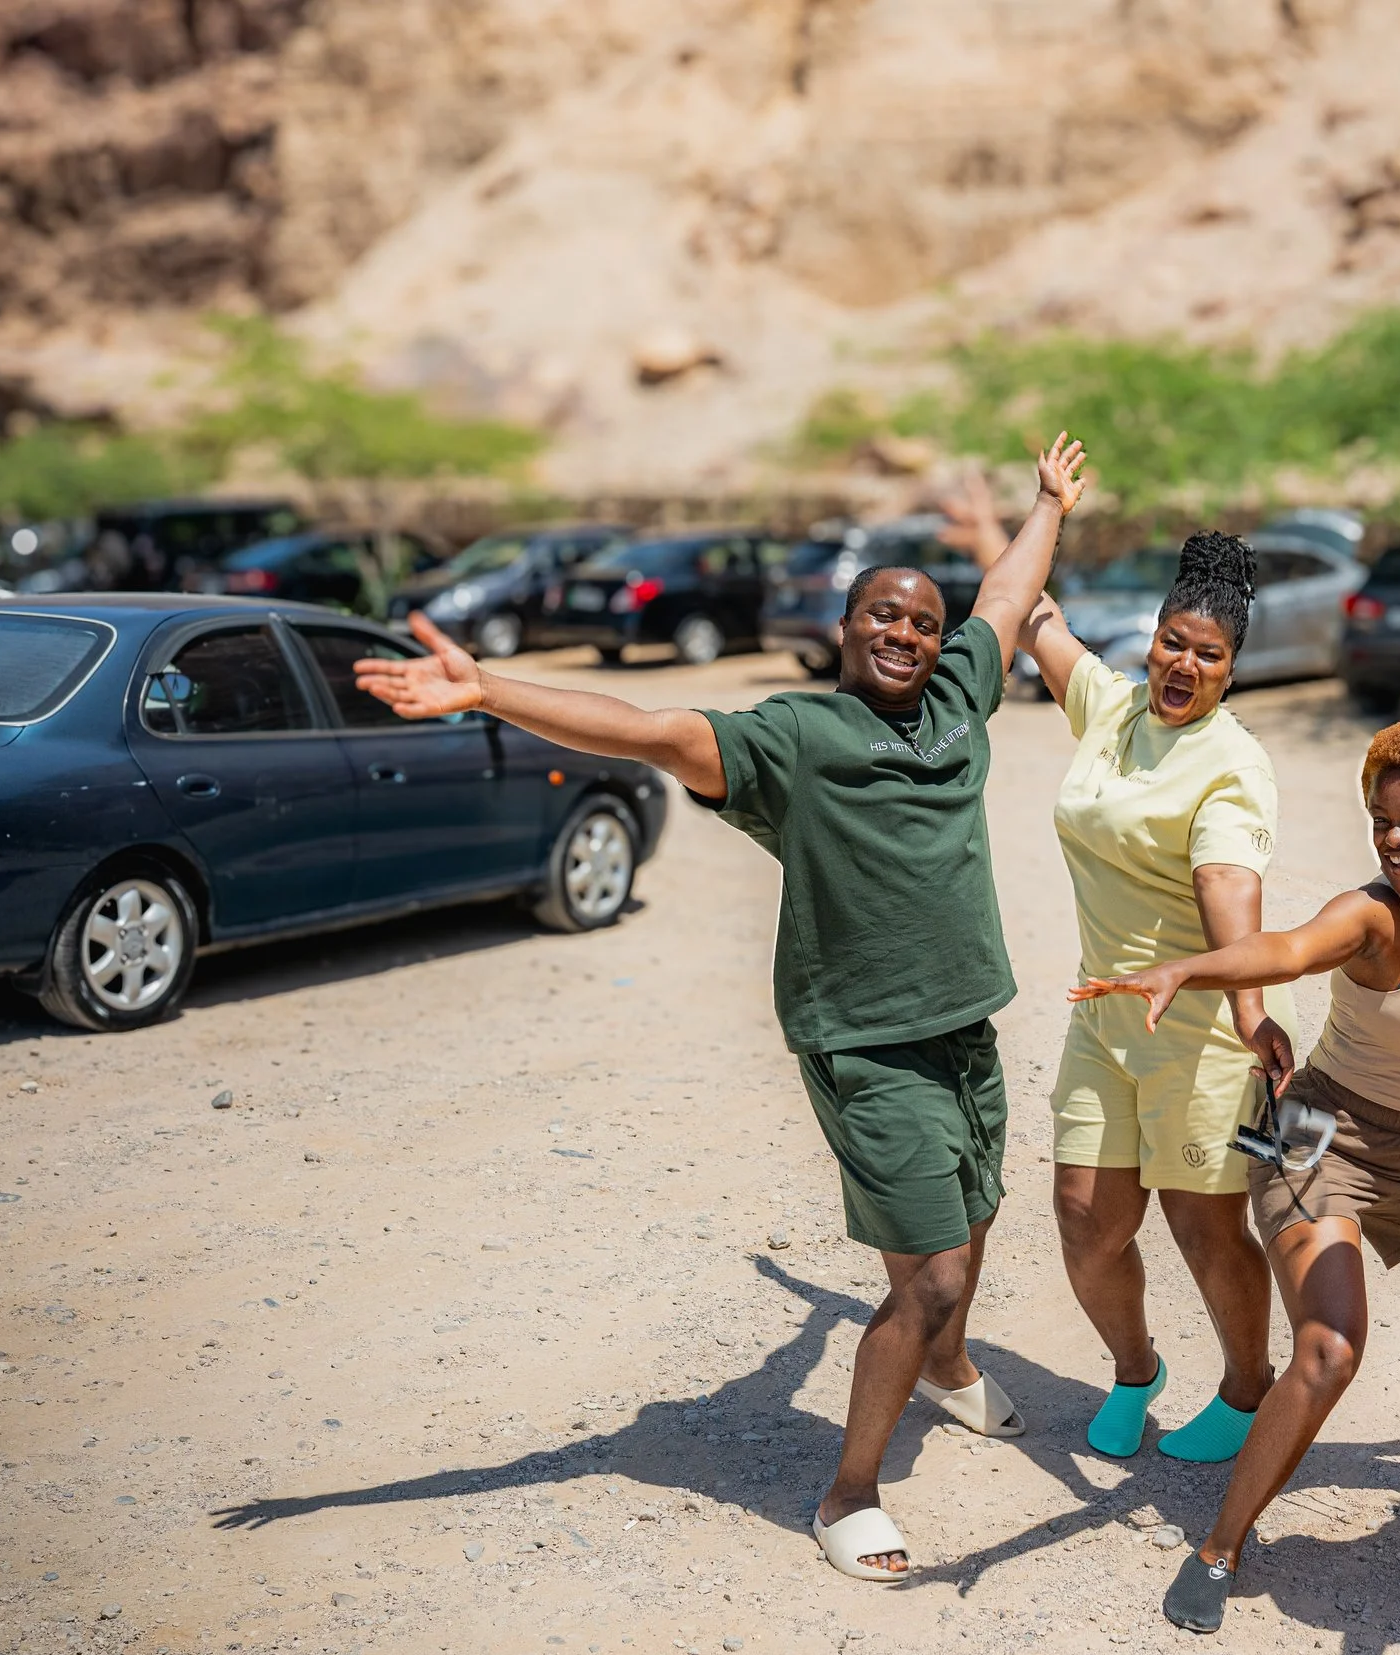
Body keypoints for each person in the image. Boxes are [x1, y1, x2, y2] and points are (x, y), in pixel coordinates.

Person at [352, 433, 1091, 1586]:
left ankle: (945, 1370)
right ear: (841, 632)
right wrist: (485, 687)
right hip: (863, 1039)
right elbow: (646, 730)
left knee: (980, 1204)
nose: (904, 633)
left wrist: (1048, 504)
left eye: (919, 621)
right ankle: (849, 1488)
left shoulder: (959, 694)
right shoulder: (792, 738)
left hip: (965, 1024)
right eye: (881, 618)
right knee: (934, 1272)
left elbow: (1007, 591)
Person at [1069, 719, 1400, 1635]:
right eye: (1381, 820)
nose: (1396, 838)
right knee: (1331, 1346)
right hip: (1309, 1129)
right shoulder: (1373, 914)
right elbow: (1289, 947)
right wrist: (1190, 968)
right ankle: (1218, 1546)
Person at [1015, 532, 1296, 1464]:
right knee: (1084, 1217)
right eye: (1175, 641)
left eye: (1209, 654)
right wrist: (1033, 519)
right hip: (1103, 1013)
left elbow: (1229, 891)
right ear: (1153, 638)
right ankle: (1137, 1370)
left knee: (1199, 1223)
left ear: (1231, 668)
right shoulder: (1113, 708)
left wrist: (1253, 1013)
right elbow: (1037, 615)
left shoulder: (1231, 763)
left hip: (1199, 1029)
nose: (1185, 664)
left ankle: (1248, 1390)